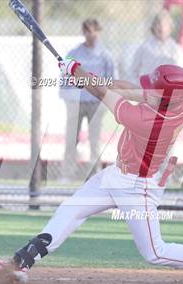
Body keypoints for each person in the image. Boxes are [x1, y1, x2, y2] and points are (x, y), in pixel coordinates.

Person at [0, 60, 183, 284]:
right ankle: (22, 262)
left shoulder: (146, 120)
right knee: (71, 210)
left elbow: (105, 93)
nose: (147, 90)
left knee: (154, 252)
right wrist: (81, 74)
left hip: (138, 188)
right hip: (116, 175)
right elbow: (126, 88)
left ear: (163, 99)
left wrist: (77, 72)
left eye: (153, 89)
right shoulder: (178, 104)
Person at [59, 18, 115, 182]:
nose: (91, 35)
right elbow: (65, 74)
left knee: (94, 141)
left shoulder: (105, 56)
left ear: (99, 32)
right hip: (76, 102)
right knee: (71, 139)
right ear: (83, 33)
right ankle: (67, 174)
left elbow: (112, 79)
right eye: (88, 31)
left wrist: (107, 100)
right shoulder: (75, 53)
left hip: (96, 103)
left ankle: (95, 175)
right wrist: (67, 96)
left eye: (94, 31)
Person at [130, 10, 183, 84]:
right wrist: (140, 85)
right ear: (153, 27)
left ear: (170, 28)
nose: (161, 28)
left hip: (169, 88)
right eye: (158, 24)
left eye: (165, 25)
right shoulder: (145, 47)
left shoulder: (176, 49)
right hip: (149, 88)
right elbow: (133, 70)